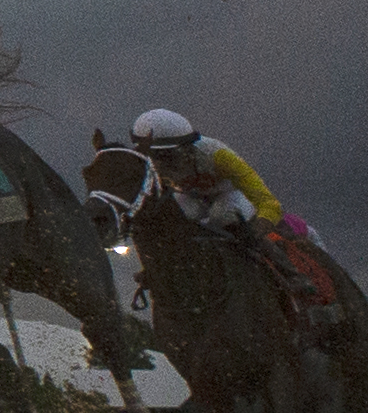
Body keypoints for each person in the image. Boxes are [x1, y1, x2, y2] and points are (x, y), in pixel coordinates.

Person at [130, 109, 340, 327]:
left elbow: (269, 203)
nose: (159, 165)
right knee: (183, 220)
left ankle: (295, 278)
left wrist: (258, 227)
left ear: (187, 147)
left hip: (228, 193)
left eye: (167, 157)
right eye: (152, 157)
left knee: (222, 216)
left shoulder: (217, 155)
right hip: (190, 197)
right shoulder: (152, 167)